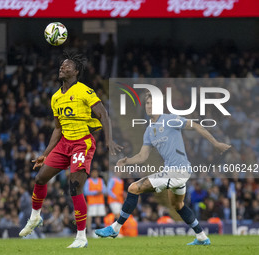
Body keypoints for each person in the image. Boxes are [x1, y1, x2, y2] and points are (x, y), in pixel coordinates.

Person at [95, 92, 231, 245]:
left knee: (134, 188)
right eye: (147, 104)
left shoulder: (170, 119)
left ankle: (115, 227)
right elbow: (143, 156)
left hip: (178, 170)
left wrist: (216, 143)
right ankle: (201, 237)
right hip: (175, 173)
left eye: (153, 104)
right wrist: (128, 161)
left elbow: (196, 126)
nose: (149, 106)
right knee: (178, 205)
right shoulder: (149, 131)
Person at [19, 50, 122, 248]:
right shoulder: (56, 97)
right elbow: (58, 128)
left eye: (66, 66)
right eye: (61, 65)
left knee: (74, 187)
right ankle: (35, 217)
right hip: (64, 143)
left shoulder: (84, 91)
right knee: (40, 178)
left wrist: (109, 140)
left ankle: (81, 237)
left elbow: (103, 114)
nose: (62, 67)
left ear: (75, 72)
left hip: (82, 143)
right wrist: (45, 153)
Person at [83, 168, 107, 235]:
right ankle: (89, 230)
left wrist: (102, 191)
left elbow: (105, 189)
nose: (95, 174)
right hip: (92, 202)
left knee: (99, 216)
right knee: (90, 216)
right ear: (91, 173)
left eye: (96, 173)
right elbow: (85, 191)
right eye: (93, 172)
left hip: (100, 201)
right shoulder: (88, 181)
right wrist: (95, 192)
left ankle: (99, 230)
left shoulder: (101, 180)